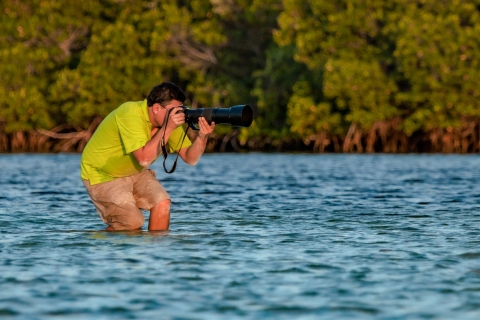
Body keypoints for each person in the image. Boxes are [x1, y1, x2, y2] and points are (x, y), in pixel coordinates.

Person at [80, 82, 215, 231]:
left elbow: (190, 158)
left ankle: (156, 252)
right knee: (132, 223)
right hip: (102, 174)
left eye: (180, 109)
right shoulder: (130, 114)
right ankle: (95, 246)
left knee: (162, 203)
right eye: (174, 110)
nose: (178, 115)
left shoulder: (169, 122)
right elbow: (143, 158)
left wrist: (202, 137)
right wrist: (167, 128)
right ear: (156, 108)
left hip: (133, 171)